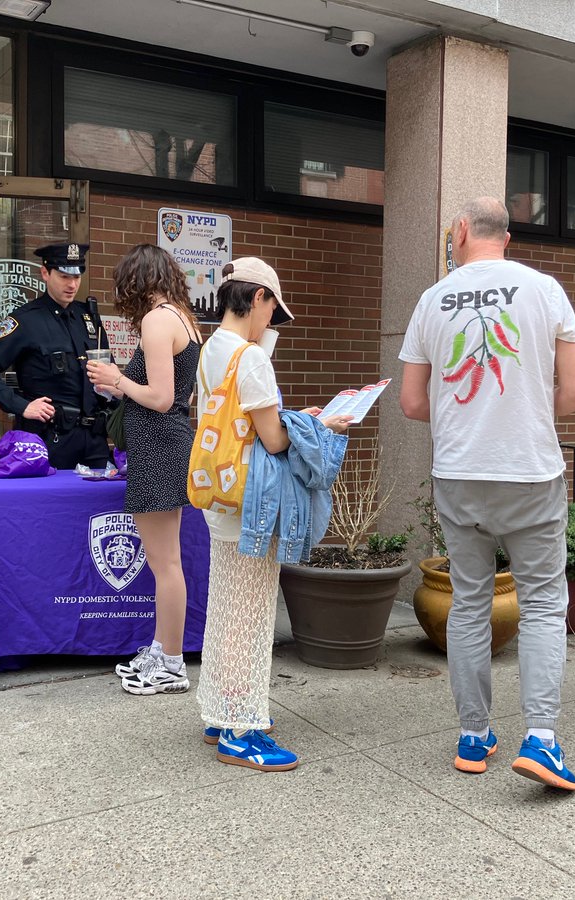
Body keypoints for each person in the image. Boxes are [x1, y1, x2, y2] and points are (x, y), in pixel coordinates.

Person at [399, 197, 575, 792]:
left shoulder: (432, 300)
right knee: (540, 603)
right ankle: (540, 740)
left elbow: (411, 402)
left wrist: (467, 418)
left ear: (460, 232)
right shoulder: (545, 290)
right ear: (506, 237)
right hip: (530, 471)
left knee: (470, 602)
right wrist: (525, 411)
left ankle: (473, 735)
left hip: (459, 474)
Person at [194, 257, 350, 772]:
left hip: (221, 497)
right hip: (252, 506)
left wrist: (293, 415)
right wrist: (322, 426)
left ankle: (221, 712)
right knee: (252, 615)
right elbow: (274, 439)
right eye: (271, 311)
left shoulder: (212, 349)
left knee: (226, 609)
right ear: (257, 297)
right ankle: (242, 728)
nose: (272, 324)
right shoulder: (252, 359)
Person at [85, 245, 202, 695]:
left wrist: (116, 380)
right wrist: (121, 387)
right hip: (167, 443)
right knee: (165, 561)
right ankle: (162, 650)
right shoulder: (182, 318)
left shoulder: (157, 320)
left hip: (158, 446)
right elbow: (175, 398)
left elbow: (161, 398)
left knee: (165, 562)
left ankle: (171, 664)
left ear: (136, 281)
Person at [0, 243, 112, 470]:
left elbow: (105, 371)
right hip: (49, 439)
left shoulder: (87, 317)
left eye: (77, 277)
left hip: (93, 439)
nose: (72, 284)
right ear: (45, 273)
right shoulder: (25, 320)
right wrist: (21, 406)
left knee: (103, 504)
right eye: (64, 276)